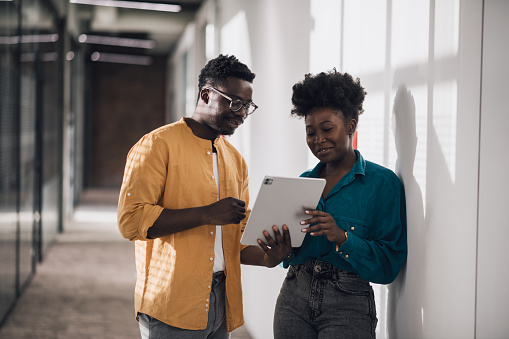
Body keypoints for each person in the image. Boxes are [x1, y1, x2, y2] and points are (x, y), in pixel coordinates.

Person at [117, 54, 291, 339]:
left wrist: (269, 258)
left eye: (248, 106)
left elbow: (237, 240)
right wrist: (207, 214)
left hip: (222, 301)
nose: (242, 113)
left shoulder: (236, 161)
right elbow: (130, 220)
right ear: (206, 94)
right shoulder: (157, 145)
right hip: (172, 302)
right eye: (235, 102)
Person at [273, 70, 407, 339]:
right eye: (310, 132)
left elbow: (389, 265)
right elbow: (287, 257)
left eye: (327, 129)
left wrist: (343, 238)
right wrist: (283, 248)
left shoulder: (383, 184)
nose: (318, 140)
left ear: (350, 125)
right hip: (293, 297)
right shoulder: (303, 182)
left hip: (348, 304)